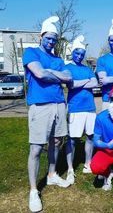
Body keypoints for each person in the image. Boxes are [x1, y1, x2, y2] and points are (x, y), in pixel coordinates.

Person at [23, 16, 72, 212]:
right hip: (40, 105)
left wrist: (50, 71)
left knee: (57, 141)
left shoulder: (58, 60)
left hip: (59, 103)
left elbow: (68, 78)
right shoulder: (31, 52)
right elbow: (40, 74)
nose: (51, 42)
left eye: (54, 39)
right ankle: (34, 190)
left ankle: (52, 175)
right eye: (48, 38)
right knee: (36, 148)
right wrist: (53, 74)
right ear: (40, 36)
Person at [65, 35, 98, 184]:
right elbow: (70, 84)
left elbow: (96, 83)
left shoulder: (87, 68)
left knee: (90, 136)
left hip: (90, 108)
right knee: (72, 140)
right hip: (75, 108)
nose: (79, 56)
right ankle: (70, 168)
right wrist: (86, 81)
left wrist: (80, 82)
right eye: (77, 53)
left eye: (82, 54)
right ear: (72, 52)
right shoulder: (67, 68)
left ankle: (88, 163)